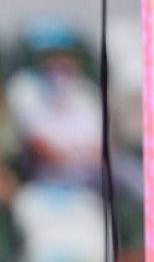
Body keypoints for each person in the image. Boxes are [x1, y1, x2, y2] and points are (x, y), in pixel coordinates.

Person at [7, 50, 103, 186]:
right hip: (50, 177)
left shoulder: (88, 99)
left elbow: (101, 150)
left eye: (65, 69)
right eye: (55, 69)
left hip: (93, 174)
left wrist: (73, 158)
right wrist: (79, 156)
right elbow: (41, 149)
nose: (60, 76)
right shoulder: (31, 100)